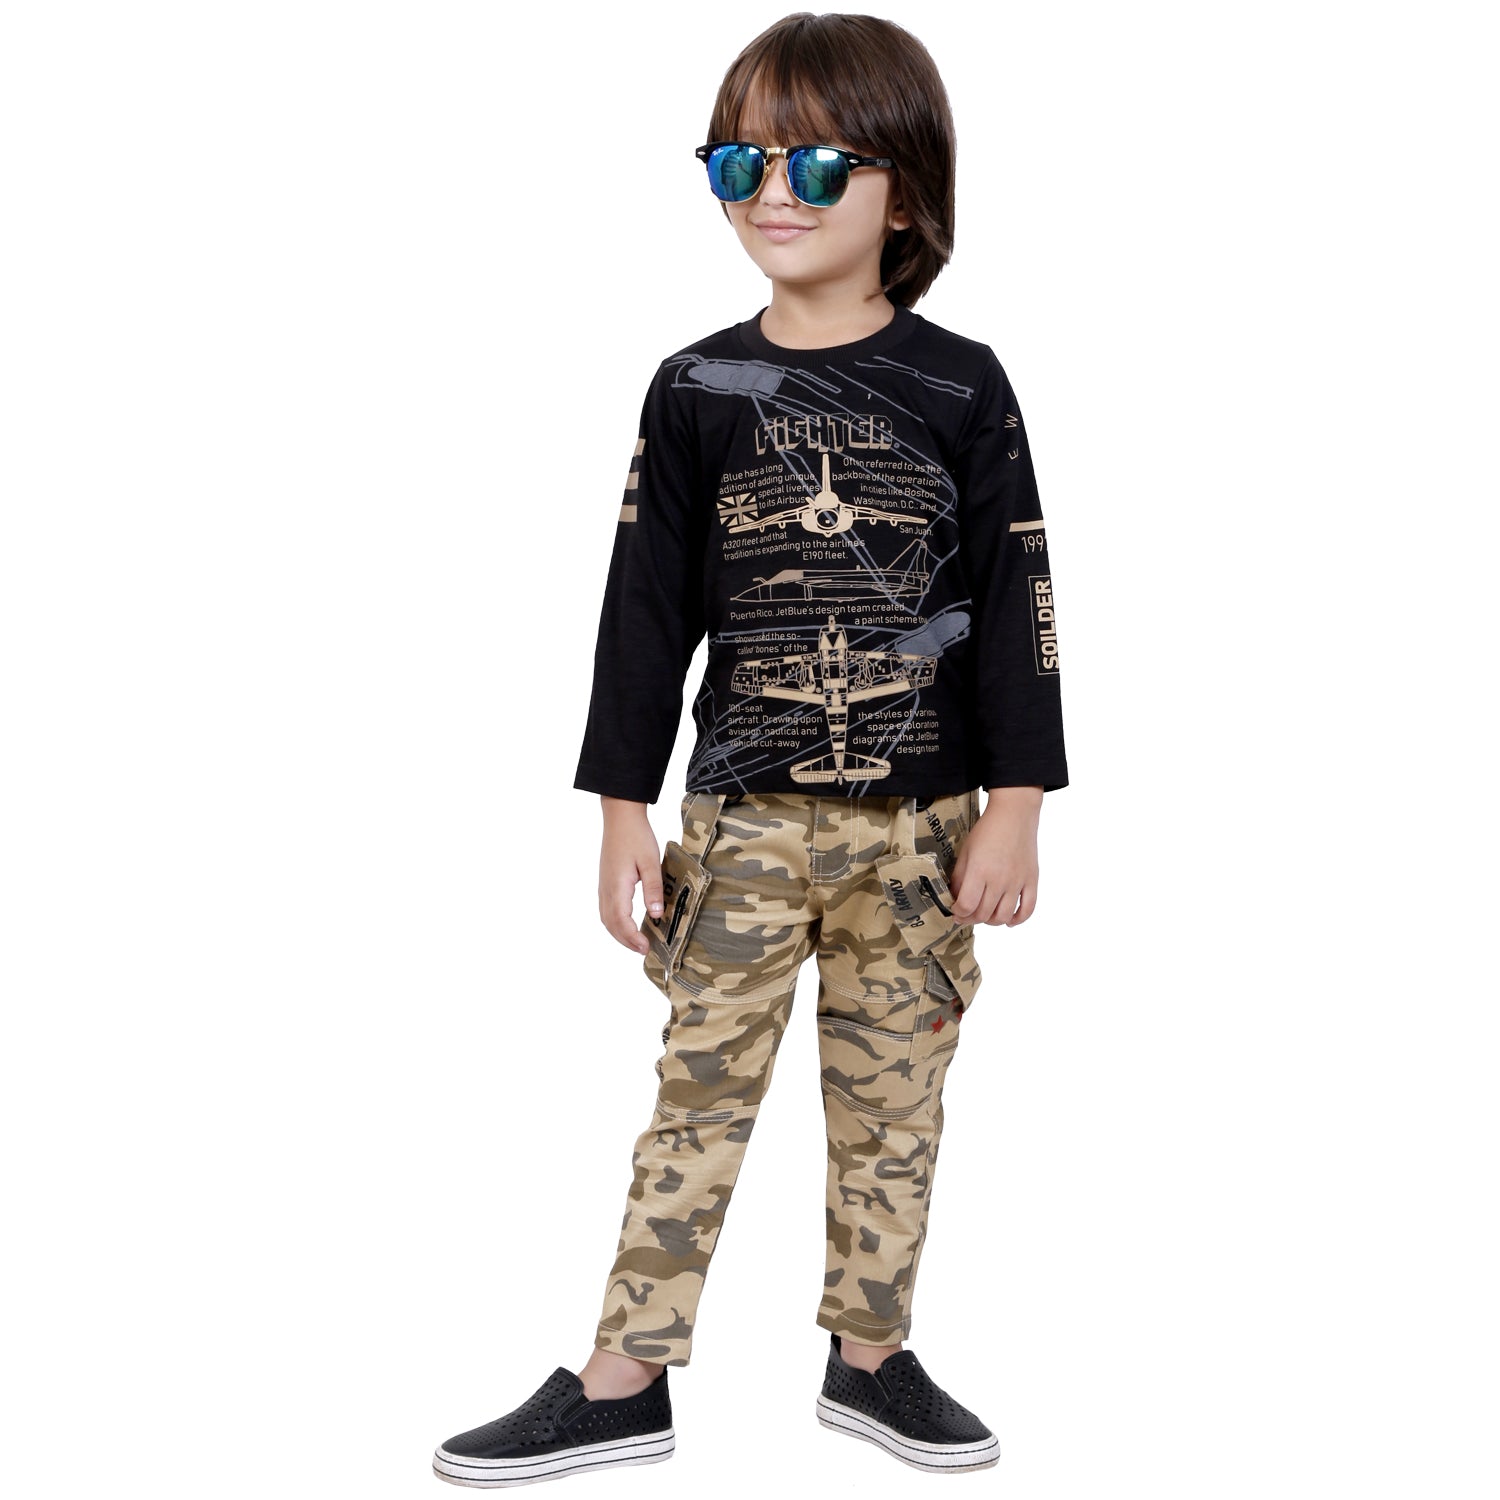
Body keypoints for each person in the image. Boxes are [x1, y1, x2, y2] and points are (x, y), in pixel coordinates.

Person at [432, 11, 1067, 1485]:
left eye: (817, 163)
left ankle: (873, 1359)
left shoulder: (967, 384)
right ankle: (622, 1378)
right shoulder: (691, 387)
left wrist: (1019, 803)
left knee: (897, 1097)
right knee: (697, 1096)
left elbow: (1018, 591)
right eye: (740, 160)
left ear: (902, 193)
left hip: (922, 828)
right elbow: (644, 606)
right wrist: (620, 806)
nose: (773, 191)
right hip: (741, 821)